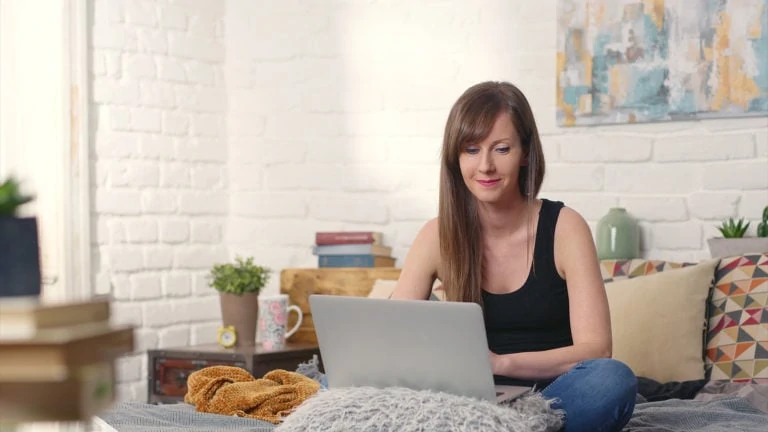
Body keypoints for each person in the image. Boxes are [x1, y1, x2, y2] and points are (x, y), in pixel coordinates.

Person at [390, 81, 637, 431]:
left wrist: (499, 363)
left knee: (612, 380)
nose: (486, 166)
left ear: (524, 153)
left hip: (553, 399)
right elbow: (391, 335)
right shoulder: (437, 235)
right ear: (455, 158)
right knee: (325, 386)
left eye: (501, 149)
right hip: (468, 401)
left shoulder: (565, 227)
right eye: (471, 150)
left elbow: (596, 350)